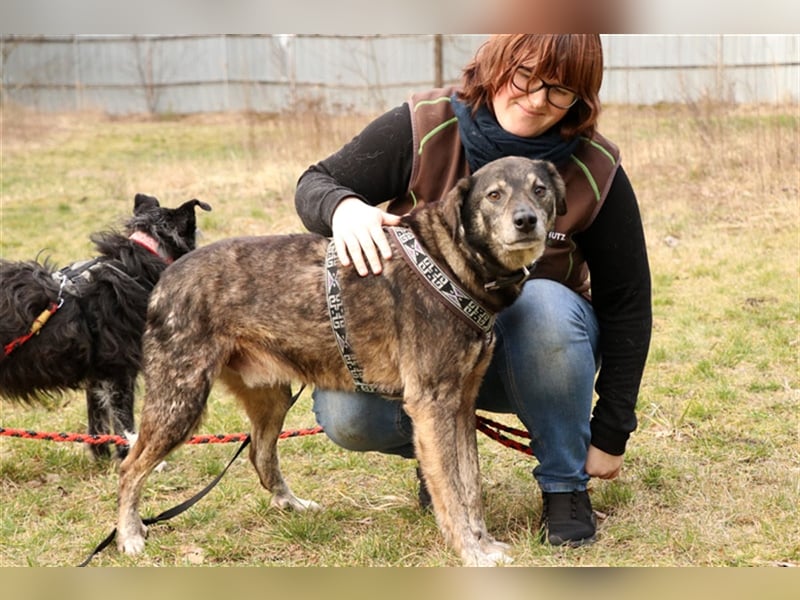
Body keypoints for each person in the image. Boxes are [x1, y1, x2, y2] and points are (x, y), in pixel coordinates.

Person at [294, 34, 651, 547]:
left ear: (581, 99)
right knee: (347, 415)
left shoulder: (595, 167)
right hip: (424, 351)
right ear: (497, 62)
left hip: (539, 358)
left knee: (543, 305)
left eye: (560, 91)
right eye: (526, 76)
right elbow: (315, 182)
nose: (537, 100)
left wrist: (612, 430)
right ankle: (439, 458)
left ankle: (564, 485)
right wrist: (343, 208)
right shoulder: (425, 126)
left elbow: (628, 301)